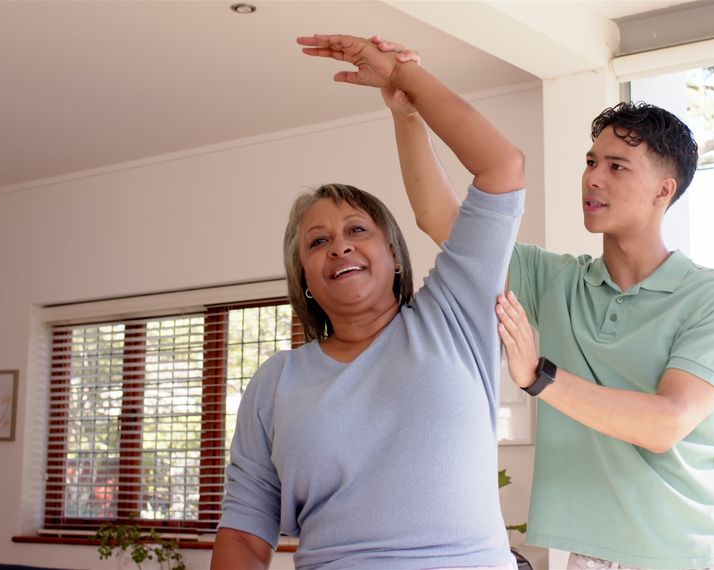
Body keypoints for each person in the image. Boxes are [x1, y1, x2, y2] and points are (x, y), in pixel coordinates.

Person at [377, 38, 714, 570]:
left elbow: (664, 423)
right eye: (590, 161)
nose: (593, 177)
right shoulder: (550, 279)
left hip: (689, 555)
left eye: (618, 167)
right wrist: (407, 116)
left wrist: (539, 375)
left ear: (663, 191)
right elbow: (439, 218)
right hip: (589, 558)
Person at [210, 33, 525, 570]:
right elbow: (243, 533)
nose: (340, 245)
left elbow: (501, 167)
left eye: (358, 228)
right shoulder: (276, 382)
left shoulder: (454, 315)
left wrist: (406, 83)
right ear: (305, 277)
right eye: (318, 241)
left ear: (396, 257)